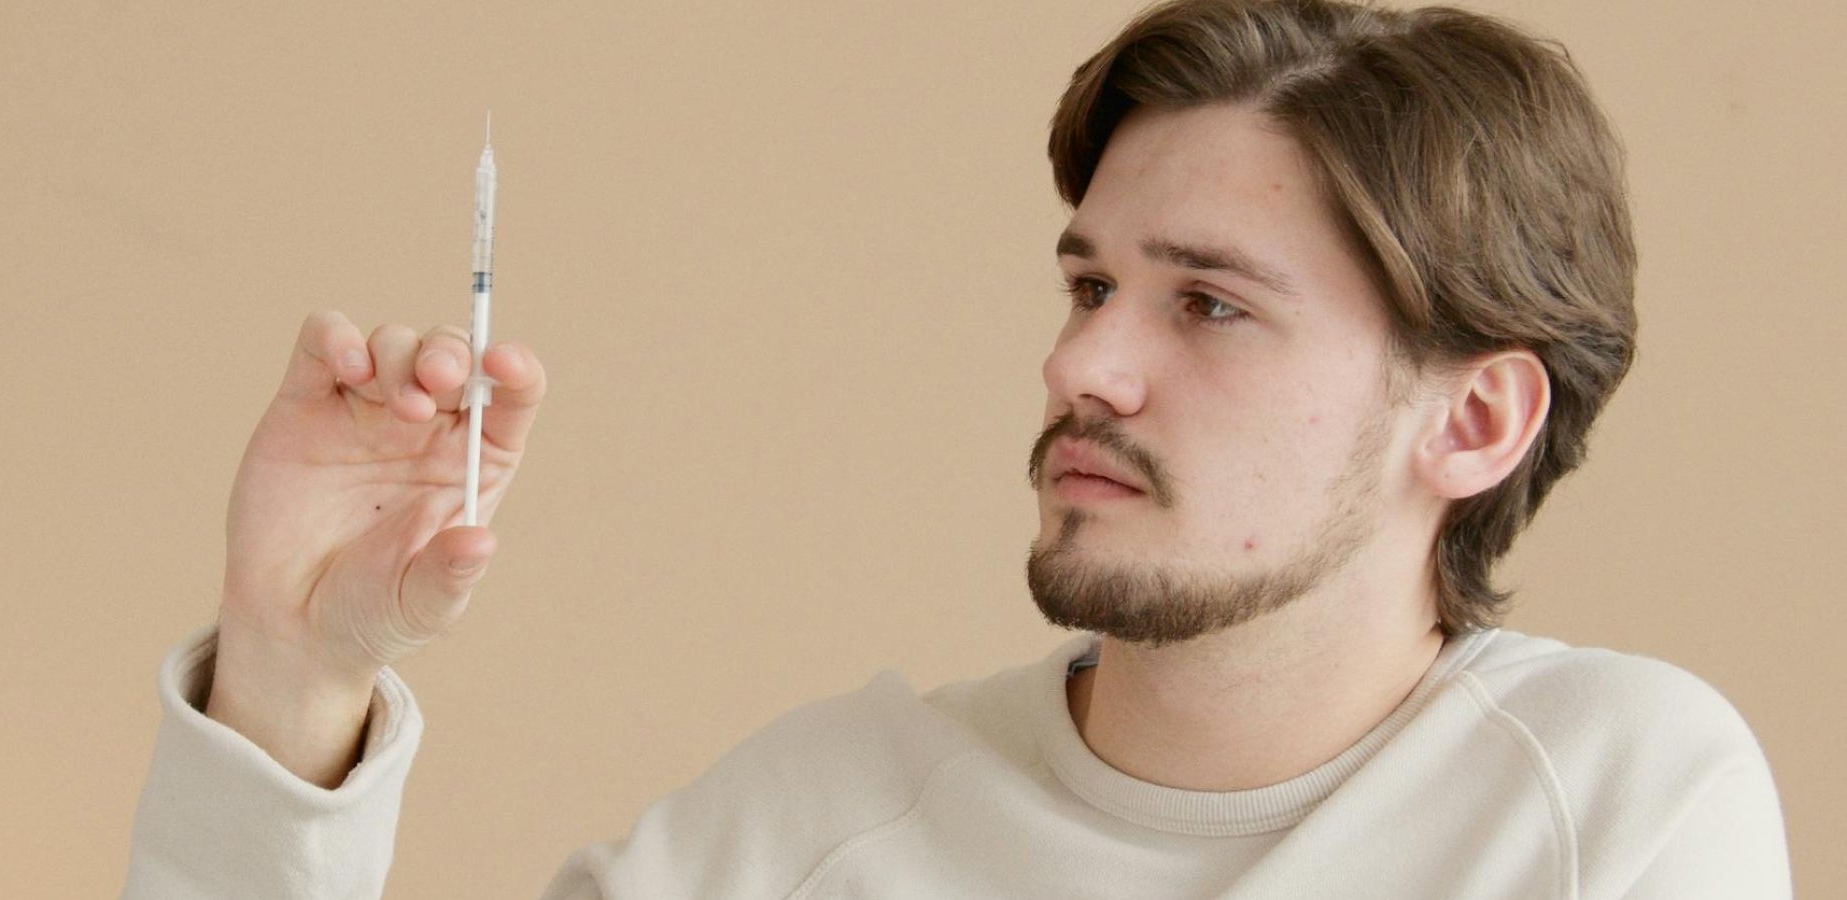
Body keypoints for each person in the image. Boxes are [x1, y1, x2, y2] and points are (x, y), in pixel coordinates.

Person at [122, 0, 1792, 896]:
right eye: (1088, 285)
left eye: (1205, 305)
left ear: (1475, 419)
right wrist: (290, 670)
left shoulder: (1612, 792)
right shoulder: (810, 829)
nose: (1085, 365)